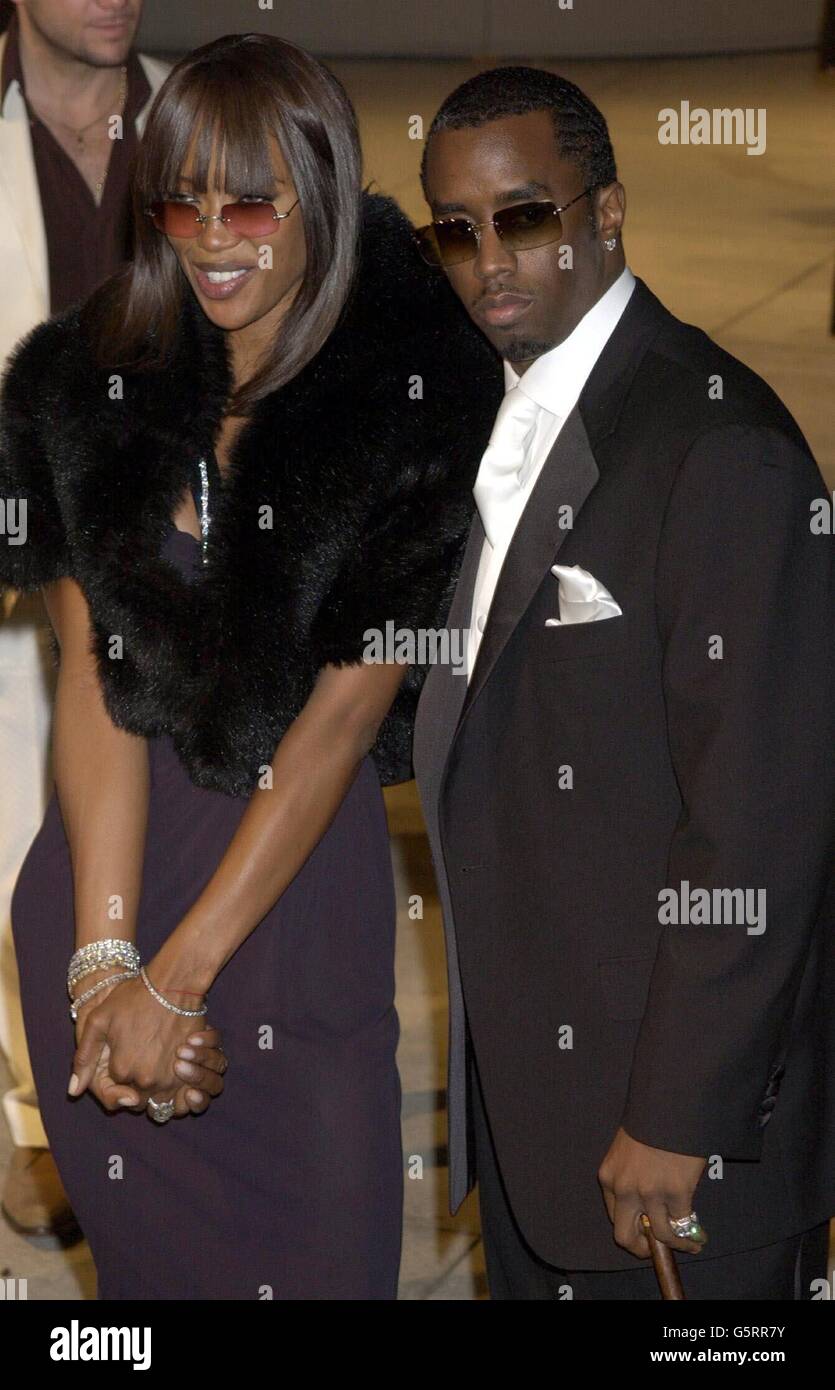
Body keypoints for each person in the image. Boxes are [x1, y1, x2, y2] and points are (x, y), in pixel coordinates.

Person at [0, 32, 502, 1299]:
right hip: (101, 892)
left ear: (320, 192)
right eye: (181, 199)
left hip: (287, 912)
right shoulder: (84, 383)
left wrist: (181, 980)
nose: (212, 235)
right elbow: (93, 682)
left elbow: (339, 724)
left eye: (252, 199)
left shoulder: (412, 391)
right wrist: (106, 968)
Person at [412, 66, 835, 1300]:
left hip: (673, 1159)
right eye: (458, 230)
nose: (492, 259)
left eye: (526, 216)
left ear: (605, 213)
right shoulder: (507, 417)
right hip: (539, 1134)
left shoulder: (722, 448)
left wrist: (678, 1114)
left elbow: (763, 819)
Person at [0, 0, 171, 1243]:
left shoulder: (205, 127)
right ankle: (30, 1122)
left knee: (161, 862)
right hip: (17, 599)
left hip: (182, 591)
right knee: (17, 848)